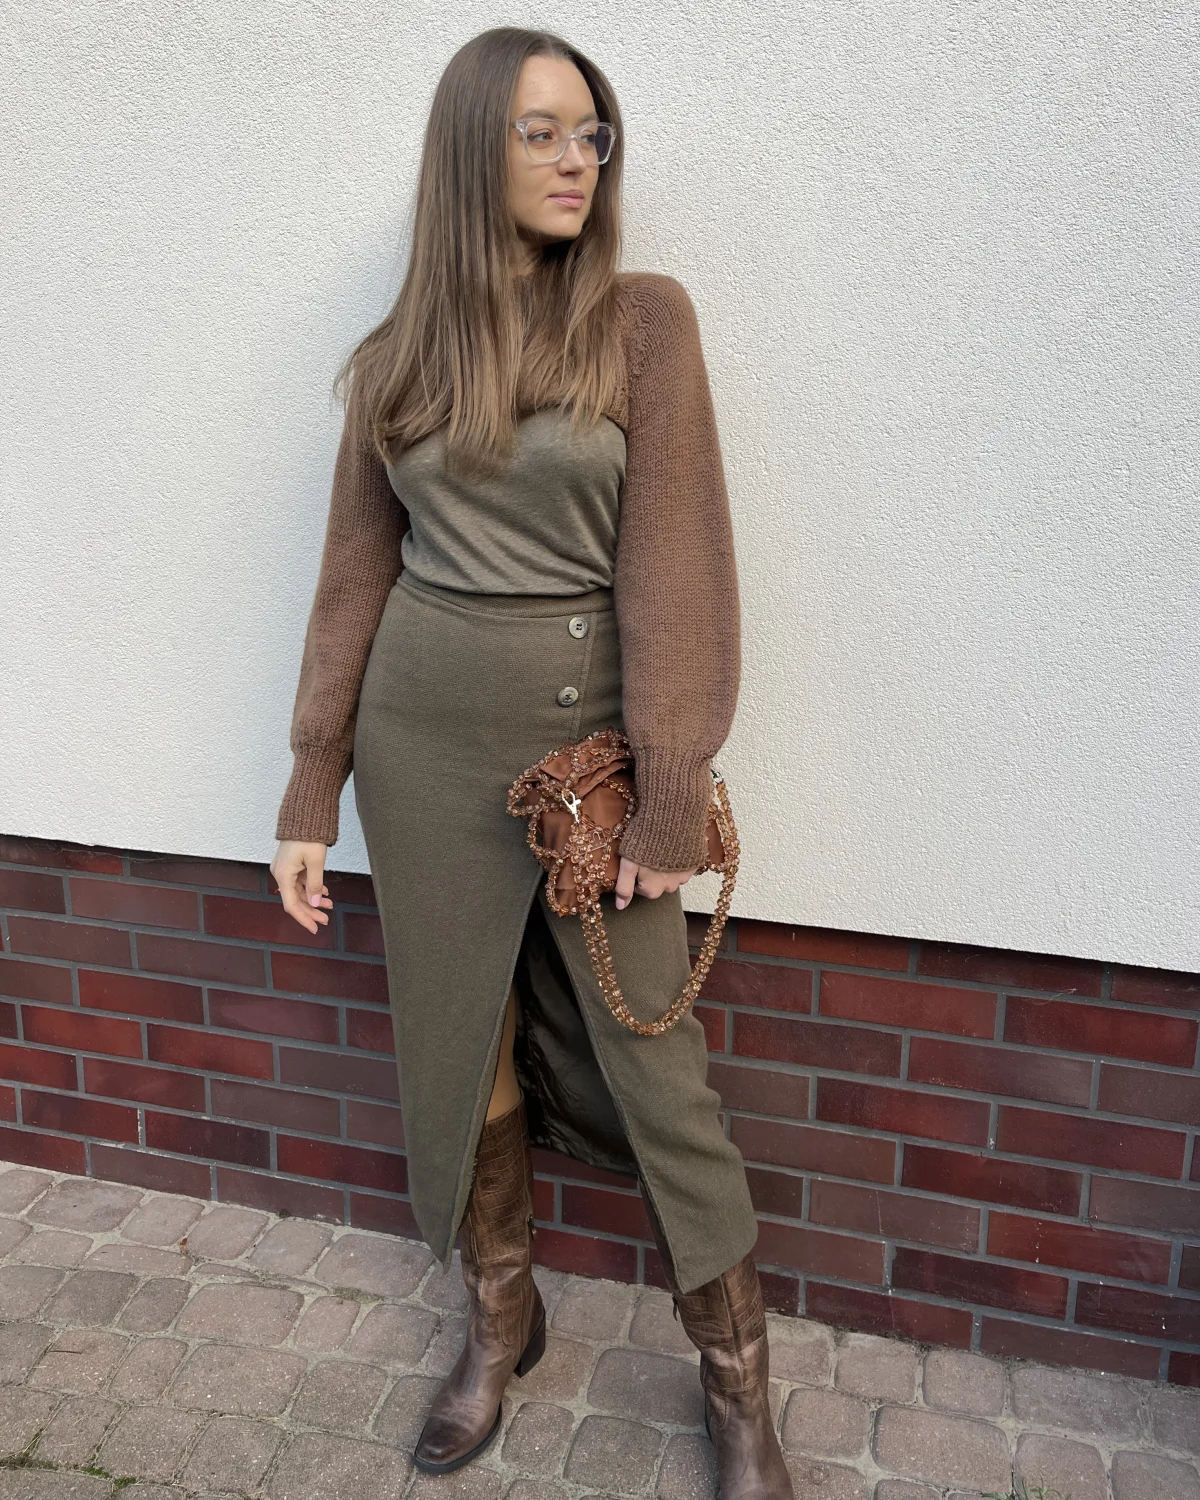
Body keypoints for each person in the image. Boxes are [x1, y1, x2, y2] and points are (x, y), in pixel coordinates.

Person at [269, 26, 794, 1500]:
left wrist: (671, 792)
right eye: (542, 132)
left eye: (593, 134)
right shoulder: (399, 356)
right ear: (469, 151)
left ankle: (740, 1388)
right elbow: (354, 579)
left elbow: (677, 565)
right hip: (420, 749)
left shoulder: (642, 324)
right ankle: (502, 1320)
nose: (579, 161)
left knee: (656, 1066)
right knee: (462, 1043)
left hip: (587, 762)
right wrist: (312, 787)